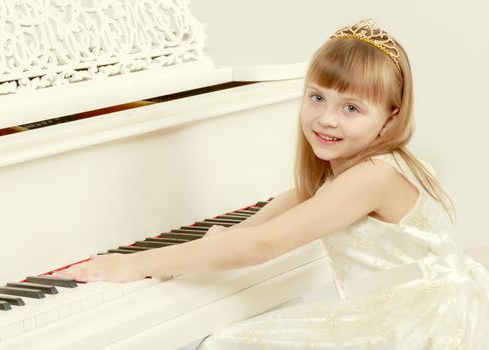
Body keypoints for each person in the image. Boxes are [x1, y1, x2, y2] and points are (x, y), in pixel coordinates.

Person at [56, 18, 489, 349]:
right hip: (414, 302)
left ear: (391, 117)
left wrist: (135, 264)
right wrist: (224, 238)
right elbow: (285, 208)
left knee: (229, 342)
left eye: (352, 108)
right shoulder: (348, 166)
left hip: (424, 322)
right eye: (317, 97)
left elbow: (263, 247)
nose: (326, 118)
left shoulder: (372, 176)